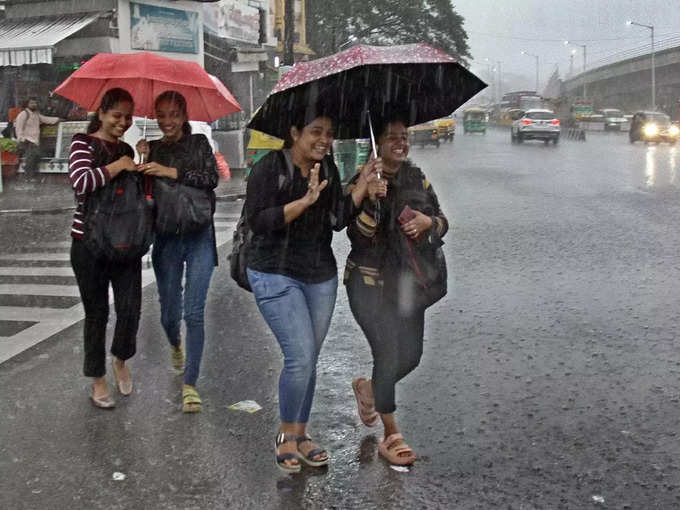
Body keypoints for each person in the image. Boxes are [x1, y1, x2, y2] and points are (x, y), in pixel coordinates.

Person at [245, 108, 374, 473]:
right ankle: (286, 435)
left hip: (319, 275)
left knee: (309, 359)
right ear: (294, 132)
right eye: (316, 132)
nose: (323, 140)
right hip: (273, 271)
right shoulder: (270, 168)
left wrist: (362, 184)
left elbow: (336, 220)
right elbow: (258, 221)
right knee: (300, 357)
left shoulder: (329, 169)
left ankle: (301, 434)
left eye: (329, 133)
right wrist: (303, 201)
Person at [345, 117, 449, 465]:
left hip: (408, 284)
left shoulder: (417, 178)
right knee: (388, 355)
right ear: (379, 145)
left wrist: (428, 223)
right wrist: (370, 200)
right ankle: (391, 435)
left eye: (404, 138)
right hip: (369, 284)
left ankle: (371, 389)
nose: (401, 144)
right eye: (392, 138)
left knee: (411, 356)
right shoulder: (361, 181)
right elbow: (355, 236)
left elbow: (442, 220)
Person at [136, 91, 218, 414]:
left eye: (173, 114)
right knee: (170, 315)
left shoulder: (198, 144)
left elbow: (211, 179)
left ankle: (190, 384)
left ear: (184, 115)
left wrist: (171, 172)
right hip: (166, 237)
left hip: (199, 234)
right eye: (162, 115)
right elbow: (142, 193)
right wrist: (140, 160)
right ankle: (175, 343)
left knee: (194, 312)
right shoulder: (152, 148)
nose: (167, 121)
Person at [69, 88, 140, 409]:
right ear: (101, 114)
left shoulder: (126, 148)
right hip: (89, 243)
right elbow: (81, 182)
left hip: (125, 240)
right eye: (116, 116)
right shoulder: (81, 144)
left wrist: (140, 163)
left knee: (129, 309)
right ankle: (97, 380)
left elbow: (134, 194)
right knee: (96, 313)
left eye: (127, 116)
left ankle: (120, 358)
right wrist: (119, 165)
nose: (123, 122)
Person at [14, 97, 60, 182]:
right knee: (31, 159)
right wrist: (21, 139)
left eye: (35, 103)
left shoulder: (36, 114)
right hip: (27, 140)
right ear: (27, 104)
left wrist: (58, 119)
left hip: (34, 140)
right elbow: (18, 128)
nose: (34, 104)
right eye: (31, 103)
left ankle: (30, 177)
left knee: (34, 158)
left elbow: (46, 119)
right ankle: (28, 177)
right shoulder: (23, 114)